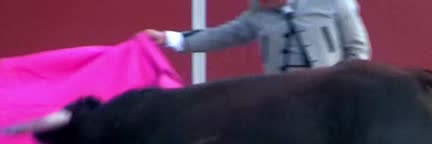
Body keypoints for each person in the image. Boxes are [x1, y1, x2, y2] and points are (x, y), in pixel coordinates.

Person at [144, 0, 371, 75]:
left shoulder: (332, 1)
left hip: (329, 89)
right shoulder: (258, 15)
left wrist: (346, 81)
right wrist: (170, 39)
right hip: (284, 96)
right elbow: (222, 36)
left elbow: (357, 47)